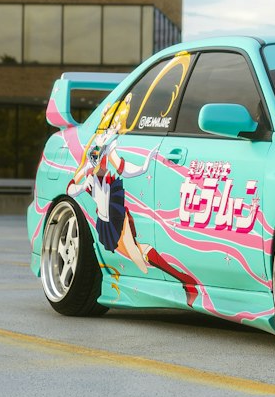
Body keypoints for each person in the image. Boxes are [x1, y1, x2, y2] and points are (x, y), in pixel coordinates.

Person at [69, 95, 200, 306]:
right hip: (103, 216)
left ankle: (186, 284)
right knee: (140, 254)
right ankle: (185, 283)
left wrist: (143, 166)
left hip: (113, 210)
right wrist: (82, 186)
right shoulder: (94, 148)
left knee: (139, 259)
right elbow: (73, 184)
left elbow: (121, 167)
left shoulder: (107, 145)